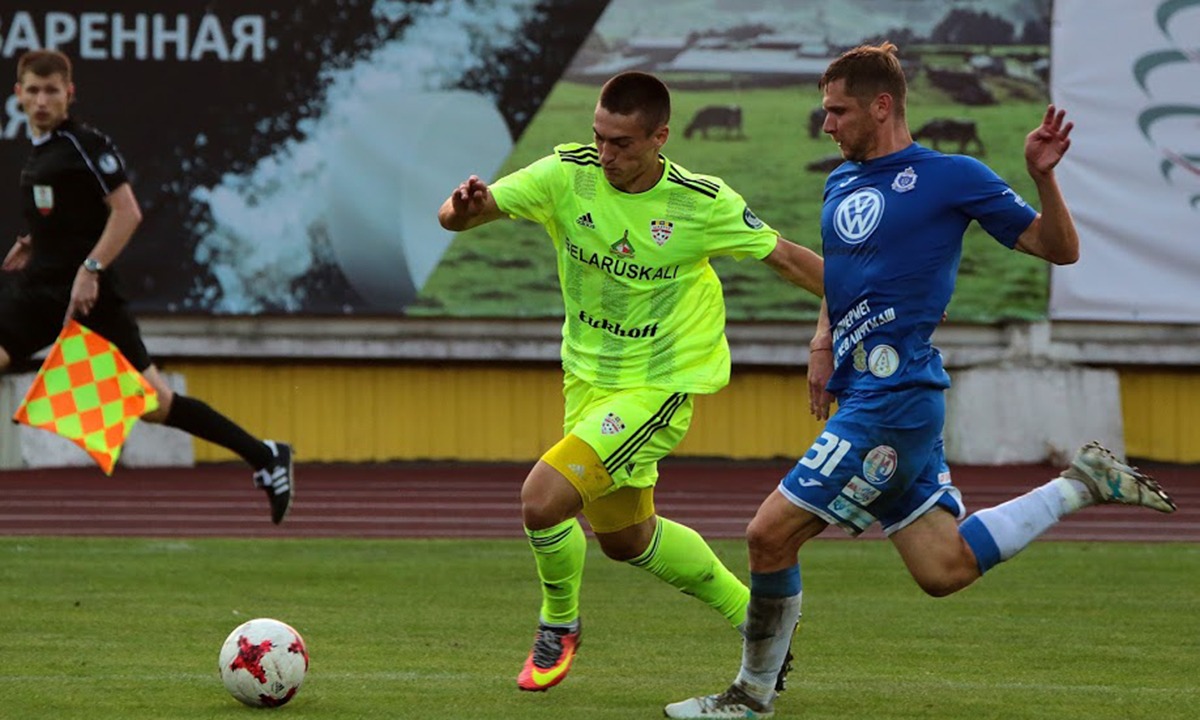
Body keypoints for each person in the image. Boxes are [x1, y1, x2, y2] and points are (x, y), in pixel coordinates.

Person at [664, 42, 1177, 719]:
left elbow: (1060, 249)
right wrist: (822, 341)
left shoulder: (950, 176)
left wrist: (1042, 178)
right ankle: (1080, 484)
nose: (827, 125)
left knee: (768, 535)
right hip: (869, 394)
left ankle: (751, 695)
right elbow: (843, 276)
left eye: (838, 112)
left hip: (894, 399)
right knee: (944, 569)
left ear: (882, 106)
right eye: (825, 111)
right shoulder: (840, 182)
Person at [437, 71, 825, 692]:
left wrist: (879, 299)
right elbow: (458, 218)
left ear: (659, 138)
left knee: (542, 499)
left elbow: (786, 257)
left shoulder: (699, 203)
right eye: (599, 137)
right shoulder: (567, 175)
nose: (605, 153)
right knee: (627, 539)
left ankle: (559, 625)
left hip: (658, 386)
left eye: (620, 143)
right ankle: (762, 621)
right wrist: (462, 209)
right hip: (587, 381)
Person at [3, 50, 295, 524]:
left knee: (155, 405)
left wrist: (90, 269)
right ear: (18, 94)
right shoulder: (42, 149)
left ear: (69, 94)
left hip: (90, 299)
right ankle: (265, 455)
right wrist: (35, 241)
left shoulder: (85, 145)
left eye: (51, 91)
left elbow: (127, 213)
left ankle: (265, 455)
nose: (41, 101)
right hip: (42, 292)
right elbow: (72, 213)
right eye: (32, 91)